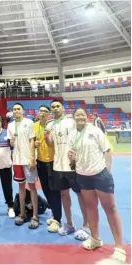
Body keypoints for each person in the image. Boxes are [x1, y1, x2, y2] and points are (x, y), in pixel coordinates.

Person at [68, 108, 126, 264]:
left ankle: (119, 247)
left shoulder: (95, 131)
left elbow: (107, 151)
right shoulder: (72, 135)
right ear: (73, 118)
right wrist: (71, 159)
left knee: (110, 208)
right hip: (82, 175)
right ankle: (95, 238)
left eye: (82, 114)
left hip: (99, 174)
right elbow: (72, 160)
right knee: (90, 207)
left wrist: (107, 170)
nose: (80, 116)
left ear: (86, 117)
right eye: (77, 115)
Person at [45, 99, 89, 240]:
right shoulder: (50, 124)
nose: (55, 108)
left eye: (58, 106)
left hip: (73, 165)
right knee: (64, 194)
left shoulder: (71, 121)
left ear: (62, 108)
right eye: (53, 107)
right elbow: (51, 144)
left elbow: (81, 136)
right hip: (58, 165)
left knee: (80, 194)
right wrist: (47, 139)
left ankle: (86, 225)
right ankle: (69, 224)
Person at [7, 103, 39, 229]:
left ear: (23, 111)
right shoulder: (10, 125)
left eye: (18, 109)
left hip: (28, 159)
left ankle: (35, 216)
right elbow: (11, 143)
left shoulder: (29, 122)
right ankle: (22, 213)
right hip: (16, 160)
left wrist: (32, 157)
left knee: (32, 187)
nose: (16, 111)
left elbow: (32, 140)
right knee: (21, 187)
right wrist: (12, 141)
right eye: (14, 109)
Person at [34, 105, 62, 232]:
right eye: (41, 111)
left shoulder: (53, 125)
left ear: (49, 114)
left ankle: (58, 219)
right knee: (45, 189)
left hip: (52, 162)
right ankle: (55, 214)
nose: (43, 113)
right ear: (38, 113)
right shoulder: (33, 126)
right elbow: (31, 142)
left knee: (54, 190)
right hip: (40, 161)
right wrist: (34, 144)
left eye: (46, 111)